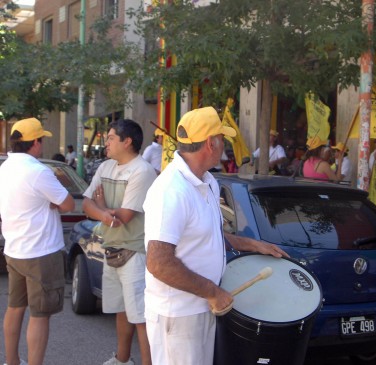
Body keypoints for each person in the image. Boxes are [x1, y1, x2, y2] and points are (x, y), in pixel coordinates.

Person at [142, 107, 288, 365]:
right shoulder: (170, 191)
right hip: (179, 314)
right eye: (223, 139)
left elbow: (209, 235)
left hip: (202, 307)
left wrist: (254, 245)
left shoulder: (208, 181)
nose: (225, 146)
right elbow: (158, 263)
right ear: (211, 143)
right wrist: (213, 292)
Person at [0, 117, 75, 365]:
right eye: (41, 140)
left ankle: (11, 361)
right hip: (41, 252)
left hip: (14, 249)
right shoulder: (38, 171)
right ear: (34, 143)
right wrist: (50, 200)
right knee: (40, 315)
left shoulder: (5, 168)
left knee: (15, 308)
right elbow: (68, 204)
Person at [82, 119, 157, 365]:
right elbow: (86, 204)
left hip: (135, 251)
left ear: (127, 142)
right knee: (122, 311)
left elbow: (124, 217)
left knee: (141, 317)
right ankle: (123, 359)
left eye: (112, 137)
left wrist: (101, 207)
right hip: (111, 247)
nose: (107, 142)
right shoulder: (105, 167)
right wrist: (104, 214)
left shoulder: (142, 171)